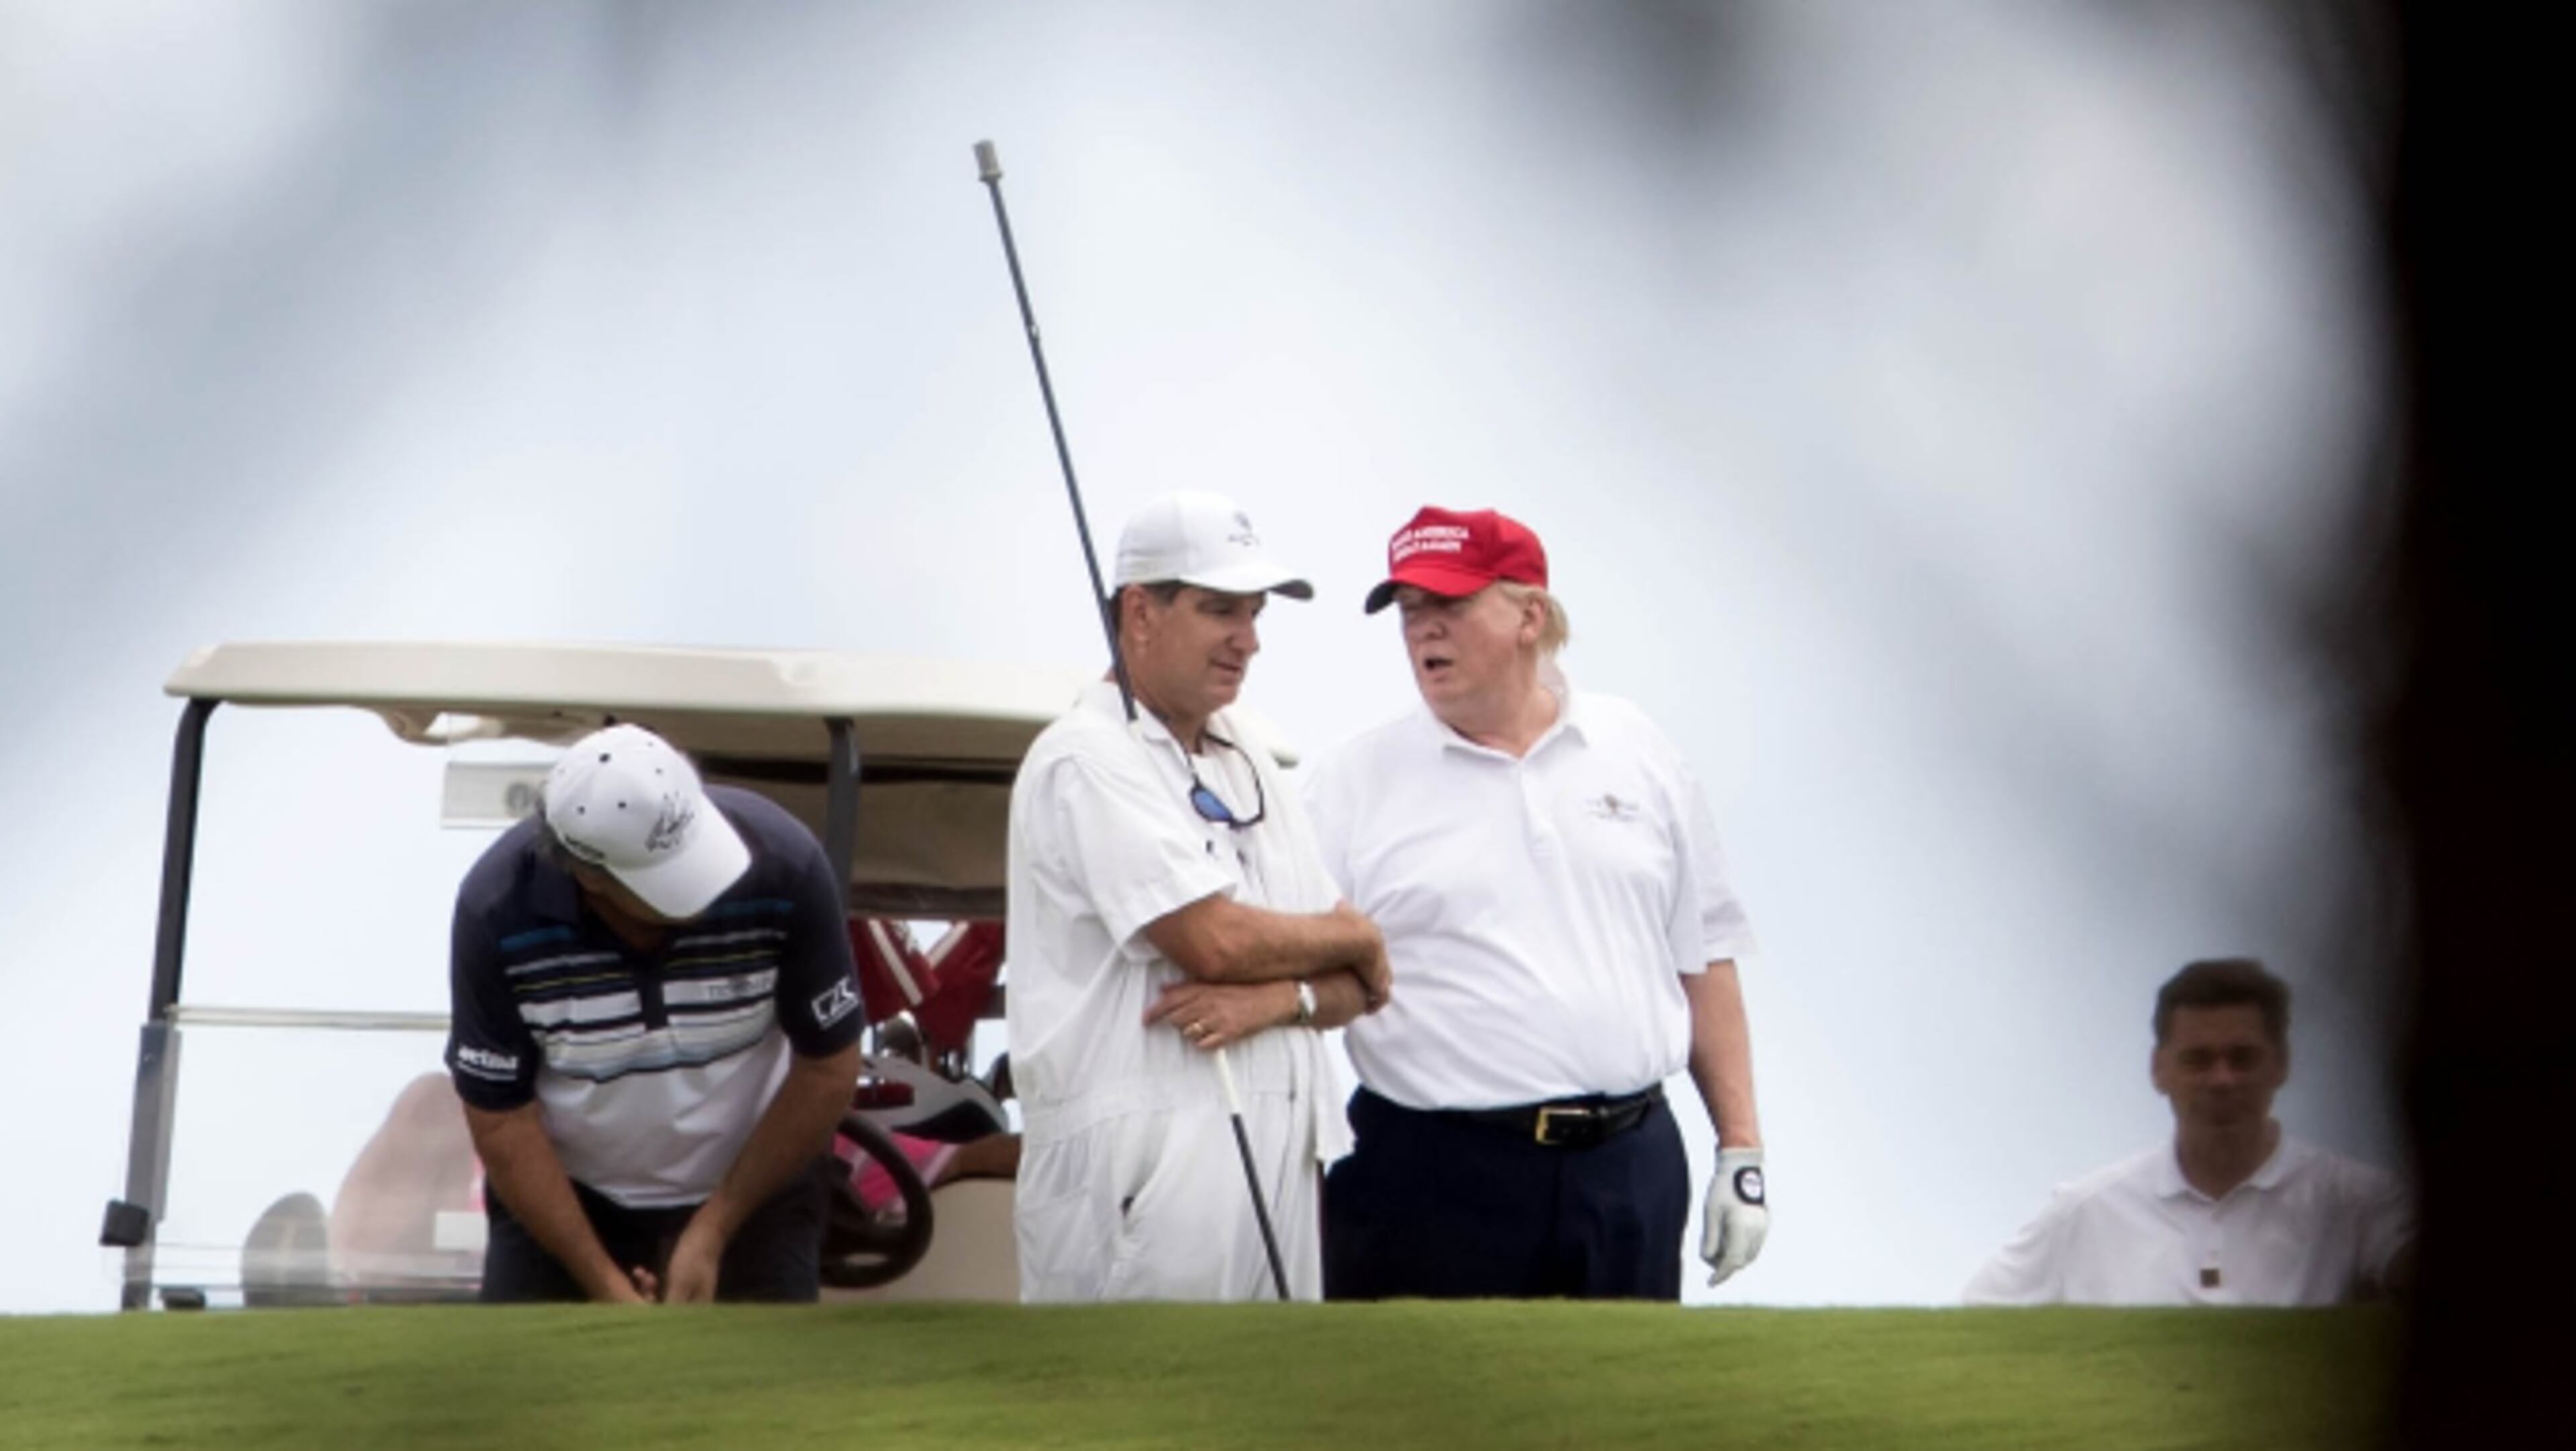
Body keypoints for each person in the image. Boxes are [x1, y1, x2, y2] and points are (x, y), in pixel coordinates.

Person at [1304, 505, 1769, 1301]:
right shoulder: (1349, 782)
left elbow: (1703, 954)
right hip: (1433, 1176)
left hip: (1630, 1168)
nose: (1424, 632)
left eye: (1448, 605)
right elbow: (1294, 960)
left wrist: (1742, 1151)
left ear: (1530, 616)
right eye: (1410, 611)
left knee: (1617, 1415)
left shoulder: (1636, 748)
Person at [1006, 489, 1392, 1301]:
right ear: (1141, 612)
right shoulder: (1084, 756)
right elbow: (1212, 941)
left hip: (1281, 1142)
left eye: (1255, 615)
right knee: (1141, 1418)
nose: (1248, 642)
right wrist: (1352, 938)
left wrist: (1280, 999)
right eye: (1222, 610)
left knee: (1266, 1417)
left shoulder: (1247, 751)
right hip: (1144, 1154)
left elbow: (1362, 988)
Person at [445, 723, 865, 1303]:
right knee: (533, 1387)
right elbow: (500, 1118)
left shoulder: (785, 865)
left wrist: (715, 1228)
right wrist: (604, 1280)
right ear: (588, 875)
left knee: (769, 1390)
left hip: (756, 1188)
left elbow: (829, 1067)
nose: (711, 890)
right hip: (569, 1198)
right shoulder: (496, 910)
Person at [1964, 957, 2414, 1305]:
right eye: (2198, 1060)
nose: (2222, 1079)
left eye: (2242, 1058)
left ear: (2281, 1064)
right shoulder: (2086, 1213)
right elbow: (1969, 1321)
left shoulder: (2355, 1202)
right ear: (2158, 1070)